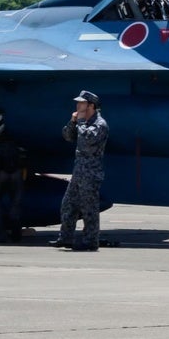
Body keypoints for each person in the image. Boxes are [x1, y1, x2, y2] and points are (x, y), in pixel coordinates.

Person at [58, 90, 109, 251]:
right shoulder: (82, 122)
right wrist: (73, 122)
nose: (78, 105)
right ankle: (65, 237)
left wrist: (80, 122)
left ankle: (90, 241)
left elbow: (88, 140)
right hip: (79, 171)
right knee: (68, 205)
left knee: (89, 208)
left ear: (91, 106)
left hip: (91, 172)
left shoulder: (100, 124)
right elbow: (67, 136)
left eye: (81, 103)